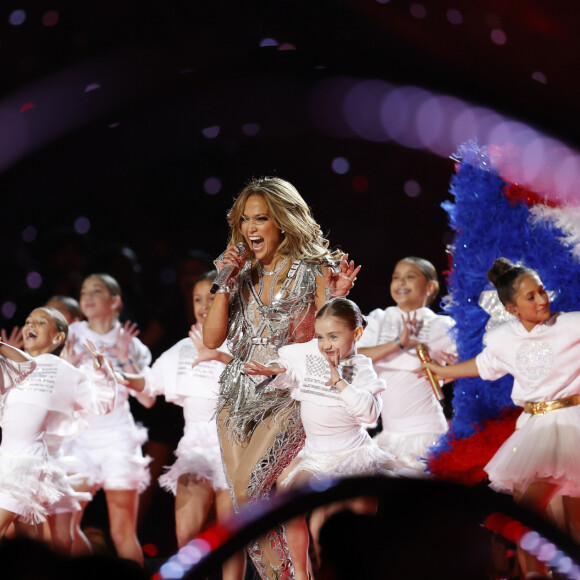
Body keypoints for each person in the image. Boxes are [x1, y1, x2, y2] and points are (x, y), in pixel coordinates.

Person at [203, 176, 359, 579]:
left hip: (288, 393)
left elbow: (334, 337)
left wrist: (337, 296)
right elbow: (212, 337)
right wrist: (224, 281)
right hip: (236, 396)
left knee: (248, 489)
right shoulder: (241, 273)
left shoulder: (312, 269)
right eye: (244, 221)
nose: (251, 229)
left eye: (261, 219)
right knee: (244, 505)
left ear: (284, 222)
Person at [421, 257, 580, 577]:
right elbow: (483, 366)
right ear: (511, 309)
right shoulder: (504, 339)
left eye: (541, 291)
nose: (542, 299)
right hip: (535, 429)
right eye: (530, 296)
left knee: (570, 515)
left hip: (572, 424)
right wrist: (441, 371)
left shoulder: (572, 325)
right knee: (526, 518)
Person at [244, 298, 398, 579]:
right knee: (291, 511)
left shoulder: (361, 367)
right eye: (320, 337)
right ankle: (302, 575)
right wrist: (276, 370)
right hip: (316, 456)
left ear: (357, 334)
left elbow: (369, 413)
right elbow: (290, 367)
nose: (326, 344)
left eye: (334, 336)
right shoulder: (312, 358)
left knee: (360, 527)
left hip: (353, 455)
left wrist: (340, 381)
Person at [121, 272, 246, 579]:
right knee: (187, 538)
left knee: (232, 537)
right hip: (196, 449)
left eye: (212, 298)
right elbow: (148, 386)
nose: (204, 306)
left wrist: (217, 355)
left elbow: (263, 380)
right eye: (197, 299)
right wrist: (120, 369)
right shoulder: (183, 348)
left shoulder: (245, 344)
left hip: (236, 450)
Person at [63, 273, 153, 565]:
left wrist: (124, 358)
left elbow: (148, 399)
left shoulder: (131, 343)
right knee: (65, 529)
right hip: (79, 439)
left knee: (122, 532)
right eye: (83, 291)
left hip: (118, 439)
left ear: (115, 301)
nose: (86, 297)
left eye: (96, 291)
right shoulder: (71, 334)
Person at [18, 306, 117, 553]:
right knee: (28, 541)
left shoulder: (69, 374)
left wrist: (102, 371)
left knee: (63, 541)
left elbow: (101, 404)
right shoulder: (14, 369)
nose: (31, 325)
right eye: (28, 321)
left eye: (40, 323)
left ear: (58, 337)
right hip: (18, 466)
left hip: (53, 464)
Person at [357, 257, 456, 472]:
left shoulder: (441, 325)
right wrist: (398, 344)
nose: (401, 283)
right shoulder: (379, 319)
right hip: (390, 432)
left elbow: (475, 362)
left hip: (425, 432)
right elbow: (354, 355)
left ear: (430, 287)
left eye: (410, 277)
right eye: (396, 277)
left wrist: (449, 373)